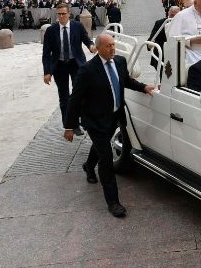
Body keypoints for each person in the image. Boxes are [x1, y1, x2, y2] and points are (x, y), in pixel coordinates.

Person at [63, 33, 155, 218]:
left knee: (101, 146)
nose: (112, 48)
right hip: (95, 120)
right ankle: (113, 202)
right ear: (98, 49)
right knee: (106, 158)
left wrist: (143, 87)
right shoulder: (87, 70)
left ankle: (89, 165)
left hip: (114, 117)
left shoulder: (120, 61)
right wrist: (69, 126)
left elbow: (125, 80)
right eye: (108, 46)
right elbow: (75, 99)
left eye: (113, 45)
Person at [43, 3, 97, 135]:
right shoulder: (51, 30)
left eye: (64, 14)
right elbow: (46, 53)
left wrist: (91, 46)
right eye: (59, 14)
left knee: (79, 94)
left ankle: (82, 121)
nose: (61, 16)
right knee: (64, 97)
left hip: (76, 64)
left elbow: (86, 39)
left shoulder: (77, 26)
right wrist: (47, 72)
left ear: (69, 14)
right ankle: (70, 125)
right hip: (59, 66)